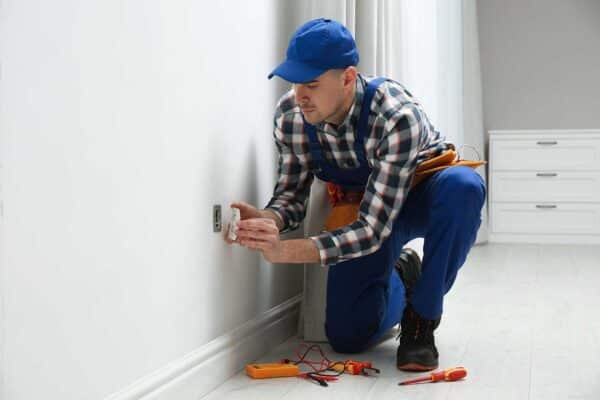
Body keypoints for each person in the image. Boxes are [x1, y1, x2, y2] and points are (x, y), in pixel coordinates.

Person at [225, 18, 486, 371]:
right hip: (366, 207)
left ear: (348, 77)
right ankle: (404, 275)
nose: (300, 96)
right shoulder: (291, 115)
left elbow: (373, 230)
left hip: (419, 197)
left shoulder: (395, 117)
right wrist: (268, 219)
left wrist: (284, 251)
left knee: (464, 188)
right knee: (349, 336)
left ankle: (422, 316)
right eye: (296, 82)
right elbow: (291, 197)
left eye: (312, 85)